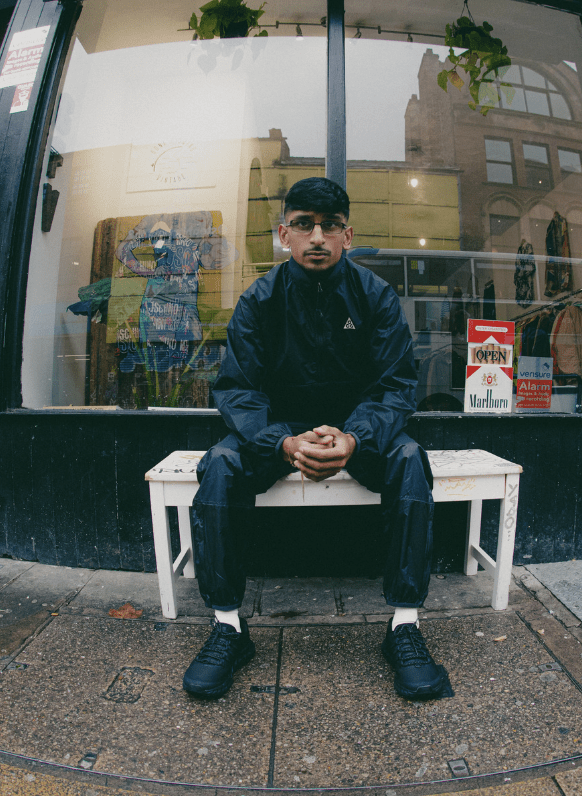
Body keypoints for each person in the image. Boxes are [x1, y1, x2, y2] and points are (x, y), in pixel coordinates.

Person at [182, 177, 450, 701]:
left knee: (412, 459)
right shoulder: (259, 300)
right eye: (304, 225)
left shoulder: (375, 296)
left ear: (348, 235)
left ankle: (405, 627)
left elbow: (398, 385)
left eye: (329, 226)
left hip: (361, 429)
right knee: (217, 464)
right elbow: (237, 389)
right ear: (285, 234)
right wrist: (282, 441)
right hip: (275, 434)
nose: (317, 237)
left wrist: (354, 437)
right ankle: (228, 629)